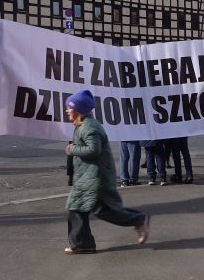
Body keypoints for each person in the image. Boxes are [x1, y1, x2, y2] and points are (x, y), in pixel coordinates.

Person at [64, 90, 151, 254]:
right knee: (76, 207)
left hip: (95, 178)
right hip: (87, 177)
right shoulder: (83, 125)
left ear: (78, 110)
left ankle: (138, 219)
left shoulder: (89, 127)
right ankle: (82, 244)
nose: (67, 110)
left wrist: (73, 149)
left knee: (101, 210)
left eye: (69, 108)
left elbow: (93, 150)